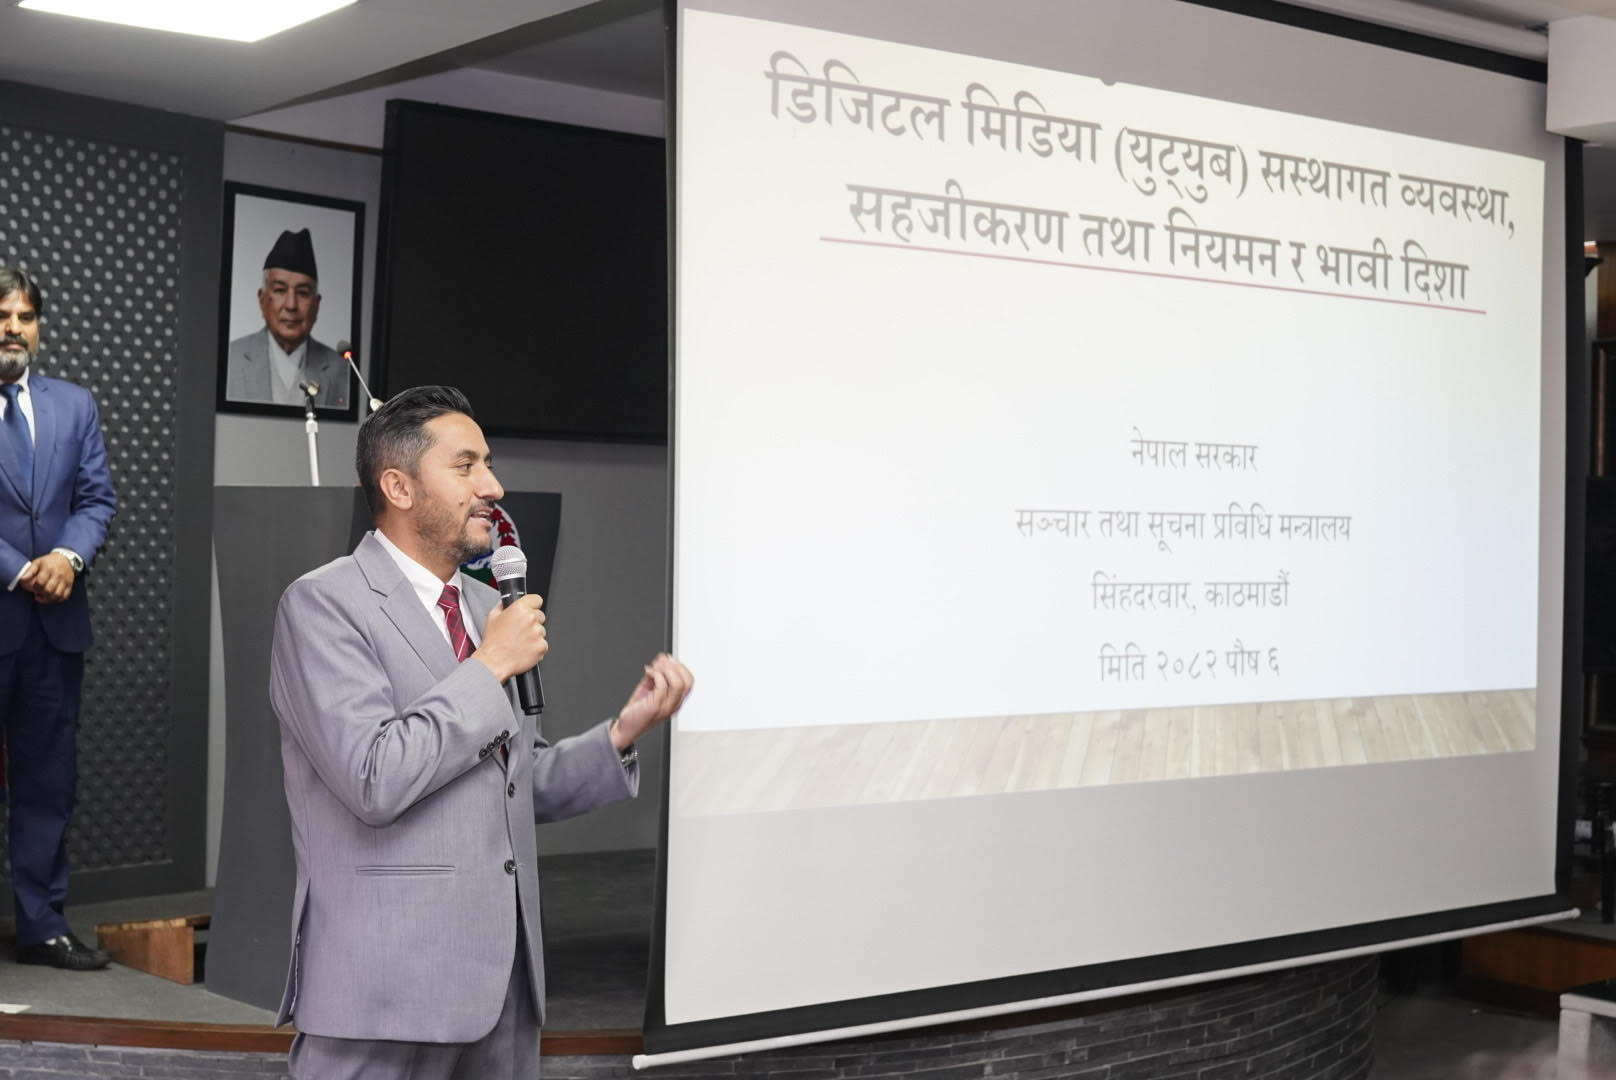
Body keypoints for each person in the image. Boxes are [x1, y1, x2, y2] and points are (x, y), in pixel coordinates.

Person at [269, 385, 691, 1078]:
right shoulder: (323, 604)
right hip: (384, 993)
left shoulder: (485, 603)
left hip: (504, 990)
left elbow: (512, 781)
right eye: (466, 466)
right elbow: (374, 778)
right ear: (398, 487)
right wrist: (490, 665)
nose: (493, 486)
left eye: (488, 464)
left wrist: (621, 732)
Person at [0, 266, 118, 971]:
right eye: (1, 314)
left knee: (48, 783)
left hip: (55, 626)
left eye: (25, 316)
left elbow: (97, 499)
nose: (13, 327)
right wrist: (19, 569)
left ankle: (41, 927)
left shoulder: (75, 405)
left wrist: (67, 559)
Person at [225, 227, 348, 409]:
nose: (291, 305)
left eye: (303, 293)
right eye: (280, 290)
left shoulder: (342, 369)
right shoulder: (231, 360)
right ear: (262, 299)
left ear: (316, 304)